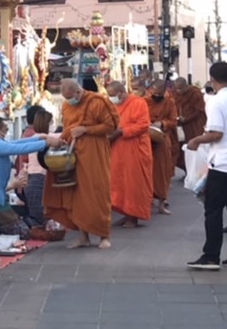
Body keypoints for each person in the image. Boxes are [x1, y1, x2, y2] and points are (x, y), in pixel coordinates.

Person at [185, 61, 227, 271]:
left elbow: (216, 133)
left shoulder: (216, 101)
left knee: (213, 210)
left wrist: (196, 140)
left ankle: (211, 256)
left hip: (224, 163)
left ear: (213, 80)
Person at [44, 77, 119, 249]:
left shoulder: (97, 102)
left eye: (70, 96)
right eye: (65, 97)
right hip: (72, 154)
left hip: (94, 153)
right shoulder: (66, 105)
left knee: (97, 192)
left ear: (78, 91)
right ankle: (83, 236)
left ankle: (104, 236)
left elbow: (110, 126)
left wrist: (86, 129)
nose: (69, 100)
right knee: (75, 195)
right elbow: (67, 128)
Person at [0, 116, 60, 245]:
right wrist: (45, 143)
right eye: (5, 130)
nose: (7, 133)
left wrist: (37, 138)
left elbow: (14, 143)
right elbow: (18, 149)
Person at [107, 81, 155, 229]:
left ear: (121, 92)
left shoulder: (138, 103)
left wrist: (122, 131)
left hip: (135, 149)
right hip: (117, 149)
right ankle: (125, 213)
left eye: (113, 95)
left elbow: (143, 125)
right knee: (118, 182)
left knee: (133, 183)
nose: (111, 98)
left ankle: (133, 216)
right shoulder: (112, 106)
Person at [146, 80, 178, 216]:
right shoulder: (143, 102)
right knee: (146, 172)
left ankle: (161, 203)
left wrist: (162, 123)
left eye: (160, 93)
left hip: (162, 140)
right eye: (155, 92)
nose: (157, 95)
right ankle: (146, 201)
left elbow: (173, 120)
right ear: (151, 89)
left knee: (162, 172)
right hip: (146, 139)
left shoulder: (169, 103)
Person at [20, 107, 54, 226]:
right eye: (51, 122)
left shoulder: (31, 136)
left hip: (31, 176)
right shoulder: (43, 137)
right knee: (39, 214)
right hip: (38, 177)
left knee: (37, 211)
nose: (52, 125)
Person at [172, 77, 208, 160]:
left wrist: (187, 118)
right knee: (180, 146)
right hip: (180, 124)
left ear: (186, 86)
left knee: (193, 145)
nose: (178, 91)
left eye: (180, 89)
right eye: (177, 89)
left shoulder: (195, 93)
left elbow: (199, 110)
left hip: (193, 124)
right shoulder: (174, 93)